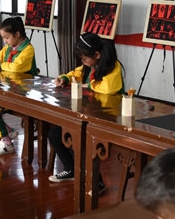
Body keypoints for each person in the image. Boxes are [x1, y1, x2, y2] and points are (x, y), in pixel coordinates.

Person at [48, 33, 124, 185]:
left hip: (106, 115)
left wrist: (87, 85)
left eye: (84, 59)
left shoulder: (113, 66)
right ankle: (71, 169)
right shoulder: (89, 65)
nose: (83, 62)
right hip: (88, 112)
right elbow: (76, 73)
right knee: (56, 134)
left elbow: (108, 88)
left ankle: (97, 182)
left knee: (79, 139)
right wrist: (65, 78)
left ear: (97, 54)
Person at [0, 15, 37, 155]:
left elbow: (16, 68)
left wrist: (1, 65)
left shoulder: (28, 49)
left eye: (6, 37)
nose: (5, 41)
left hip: (23, 92)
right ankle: (7, 133)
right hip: (11, 89)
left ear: (17, 34)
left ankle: (7, 143)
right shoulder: (9, 48)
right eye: (3, 38)